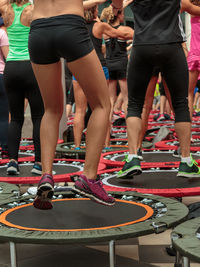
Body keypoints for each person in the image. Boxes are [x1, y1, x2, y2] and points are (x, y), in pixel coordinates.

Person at [28, 0, 124, 209]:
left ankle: (46, 175)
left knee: (51, 109)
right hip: (69, 26)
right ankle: (89, 177)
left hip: (39, 30)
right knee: (101, 104)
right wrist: (117, 7)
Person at [117, 0, 200, 179]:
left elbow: (117, 6)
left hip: (142, 48)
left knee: (134, 105)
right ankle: (186, 161)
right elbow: (194, 9)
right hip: (171, 47)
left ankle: (132, 157)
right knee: (180, 104)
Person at [73, 0, 132, 149]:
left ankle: (77, 146)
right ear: (94, 11)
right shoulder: (100, 26)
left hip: (79, 69)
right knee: (103, 107)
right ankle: (105, 144)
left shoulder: (76, 26)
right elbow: (120, 34)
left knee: (79, 110)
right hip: (98, 68)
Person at [0, 0, 44, 175]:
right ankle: (38, 163)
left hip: (11, 68)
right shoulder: (33, 9)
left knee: (16, 118)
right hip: (30, 66)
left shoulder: (5, 8)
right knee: (38, 117)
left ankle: (12, 161)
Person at [187, 0, 200, 118]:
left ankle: (188, 129)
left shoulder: (192, 11)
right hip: (195, 55)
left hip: (194, 55)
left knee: (189, 93)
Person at [0, 16, 9, 159]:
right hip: (1, 76)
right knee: (3, 117)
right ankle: (5, 149)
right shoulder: (1, 34)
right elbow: (8, 56)